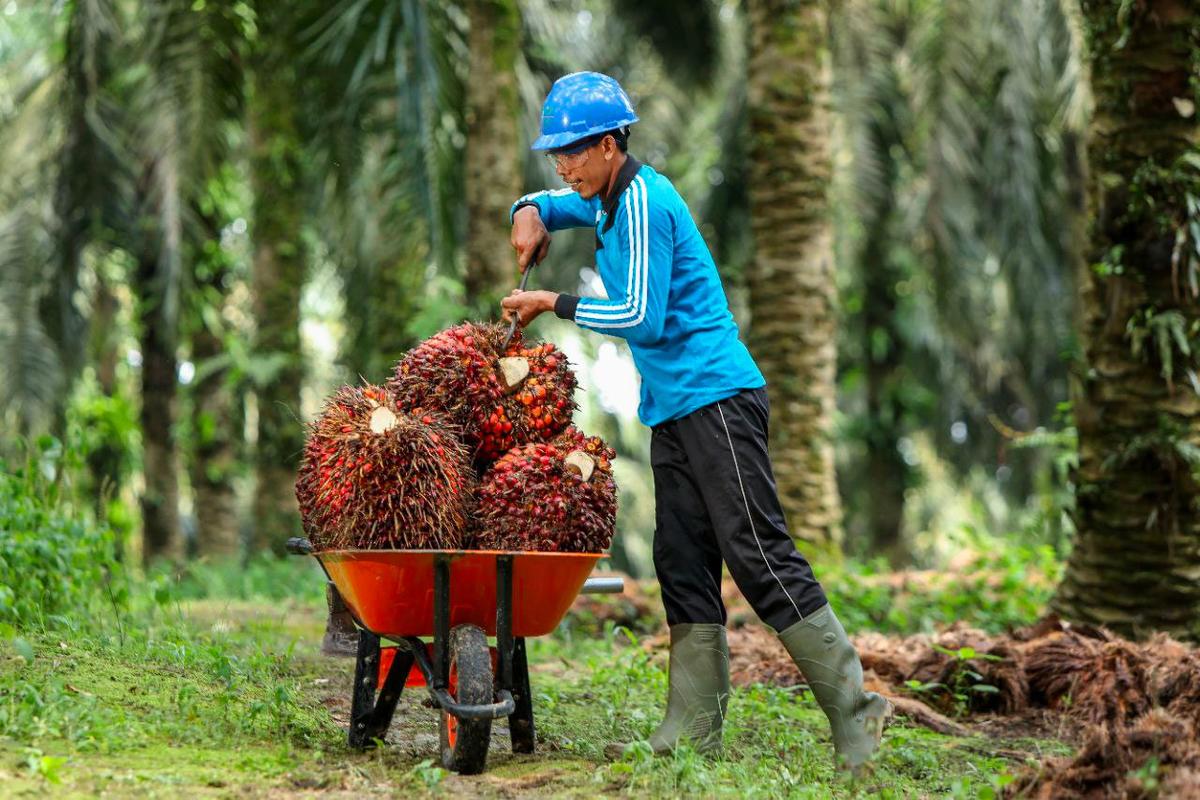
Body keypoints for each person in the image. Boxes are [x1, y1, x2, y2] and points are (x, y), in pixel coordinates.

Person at [501, 71, 890, 772]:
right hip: (674, 411)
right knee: (682, 563)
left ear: (614, 144)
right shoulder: (606, 201)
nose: (565, 166)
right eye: (555, 154)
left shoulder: (645, 201)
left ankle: (860, 716)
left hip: (717, 400)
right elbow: (553, 206)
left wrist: (548, 302)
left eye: (575, 152)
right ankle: (689, 738)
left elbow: (640, 319)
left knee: (760, 558)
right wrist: (527, 207)